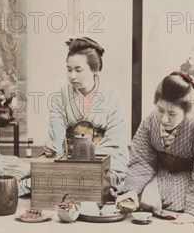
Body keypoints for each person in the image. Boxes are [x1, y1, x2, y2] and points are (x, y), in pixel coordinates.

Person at [117, 72, 194, 224]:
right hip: (163, 174)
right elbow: (141, 160)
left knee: (161, 199)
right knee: (139, 194)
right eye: (160, 110)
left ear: (186, 110)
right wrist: (132, 191)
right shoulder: (150, 122)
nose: (164, 119)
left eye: (172, 113)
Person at [43, 37, 129, 193]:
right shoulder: (60, 95)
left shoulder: (112, 98)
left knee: (109, 178)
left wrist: (85, 159)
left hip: (102, 158)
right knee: (41, 174)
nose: (72, 76)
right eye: (69, 69)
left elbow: (115, 141)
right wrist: (54, 147)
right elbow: (57, 131)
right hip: (68, 158)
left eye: (78, 69)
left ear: (94, 69)